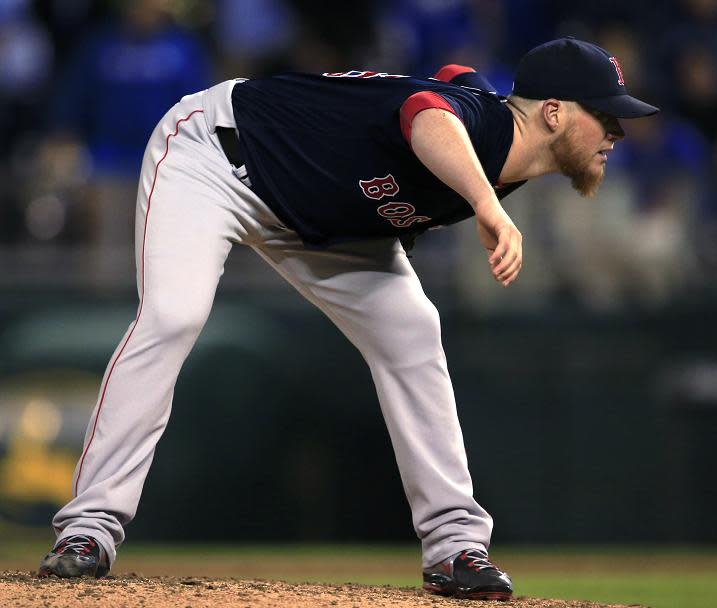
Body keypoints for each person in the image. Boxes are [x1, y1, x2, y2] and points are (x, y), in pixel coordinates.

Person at [38, 37, 658, 600]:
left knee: (414, 329)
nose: (617, 133)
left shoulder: (488, 117)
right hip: (216, 157)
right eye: (604, 116)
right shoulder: (483, 125)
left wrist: (460, 129)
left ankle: (455, 549)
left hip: (328, 222)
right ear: (553, 112)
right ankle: (88, 530)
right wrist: (485, 205)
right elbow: (425, 111)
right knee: (173, 316)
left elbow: (450, 79)